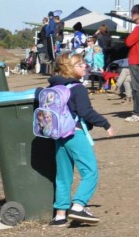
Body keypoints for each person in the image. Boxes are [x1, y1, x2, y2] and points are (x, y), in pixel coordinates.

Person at [47, 52, 115, 227]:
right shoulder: (77, 88)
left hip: (58, 135)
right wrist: (105, 124)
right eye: (80, 64)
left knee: (63, 175)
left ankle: (60, 215)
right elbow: (86, 112)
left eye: (84, 63)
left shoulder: (53, 87)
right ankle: (78, 206)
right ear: (70, 68)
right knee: (90, 171)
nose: (85, 66)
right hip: (75, 133)